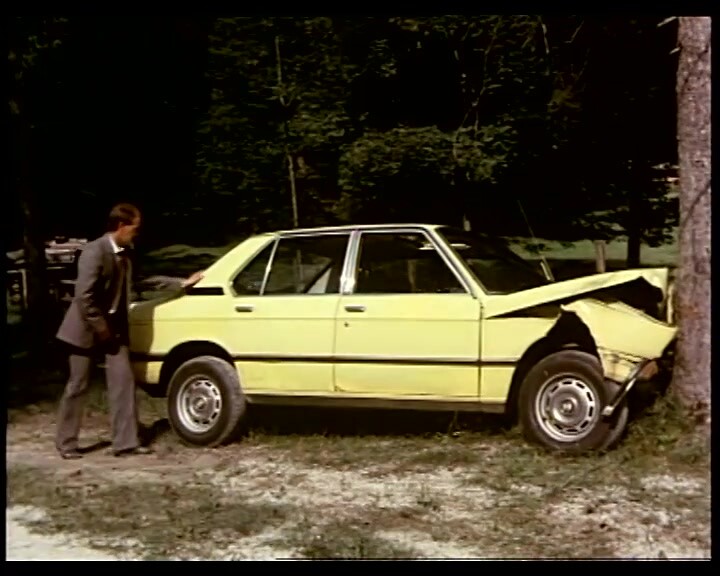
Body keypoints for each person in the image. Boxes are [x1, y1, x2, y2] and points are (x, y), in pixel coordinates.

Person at [55, 203, 203, 459]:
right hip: (85, 328)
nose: (137, 233)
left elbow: (142, 280)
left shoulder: (127, 253)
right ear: (121, 226)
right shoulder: (94, 251)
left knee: (123, 382)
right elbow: (84, 297)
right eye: (135, 228)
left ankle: (125, 444)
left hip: (114, 331)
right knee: (78, 385)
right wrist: (101, 329)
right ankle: (66, 443)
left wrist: (182, 283)